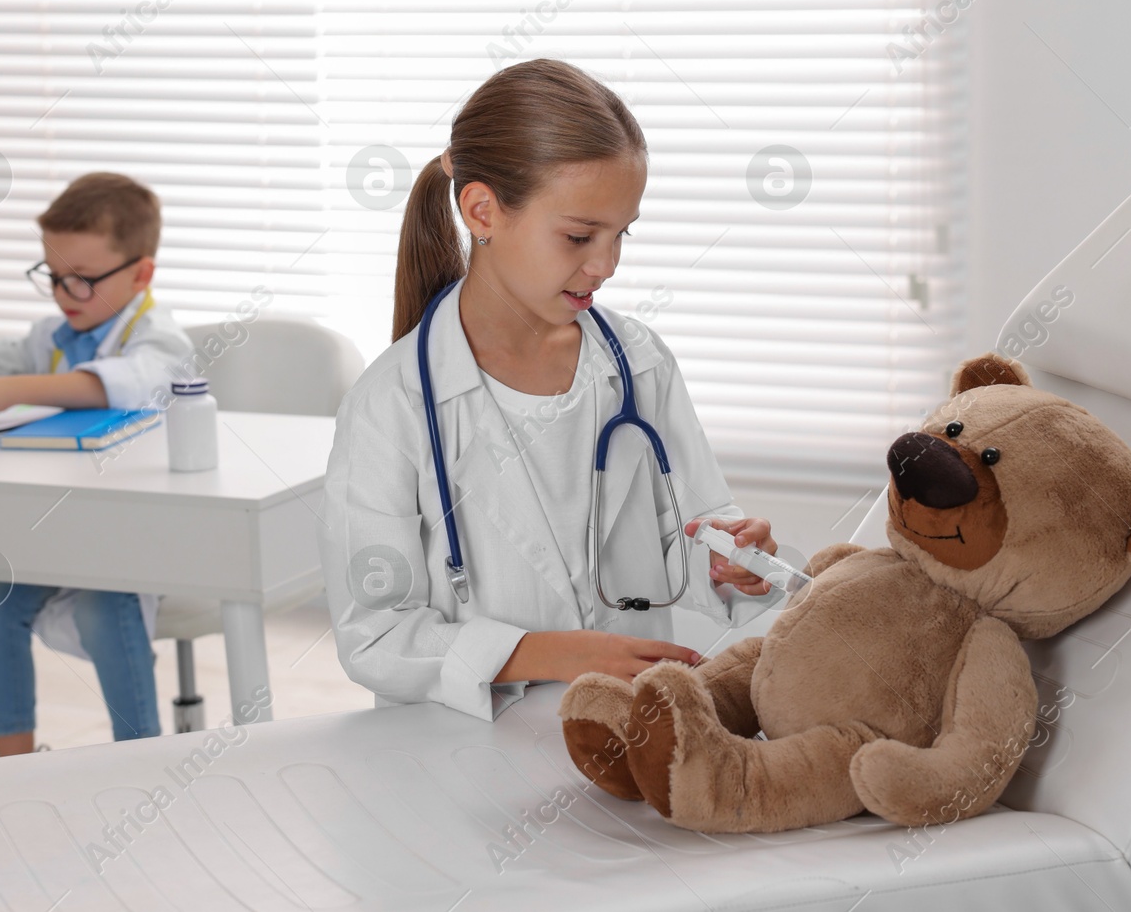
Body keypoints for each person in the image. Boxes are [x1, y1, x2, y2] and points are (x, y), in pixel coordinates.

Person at [318, 59, 785, 722]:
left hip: (631, 729)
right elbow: (376, 634)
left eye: (622, 233)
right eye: (578, 235)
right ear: (482, 209)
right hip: (464, 749)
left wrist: (727, 558)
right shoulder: (389, 405)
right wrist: (550, 652)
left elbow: (690, 524)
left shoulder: (638, 363)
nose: (606, 264)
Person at [0, 171, 194, 755]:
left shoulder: (163, 341)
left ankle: (138, 760)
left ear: (141, 273)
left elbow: (123, 383)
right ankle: (16, 760)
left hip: (140, 536)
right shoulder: (52, 335)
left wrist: (10, 390)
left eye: (82, 281)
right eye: (53, 277)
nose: (63, 295)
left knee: (104, 607)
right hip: (62, 531)